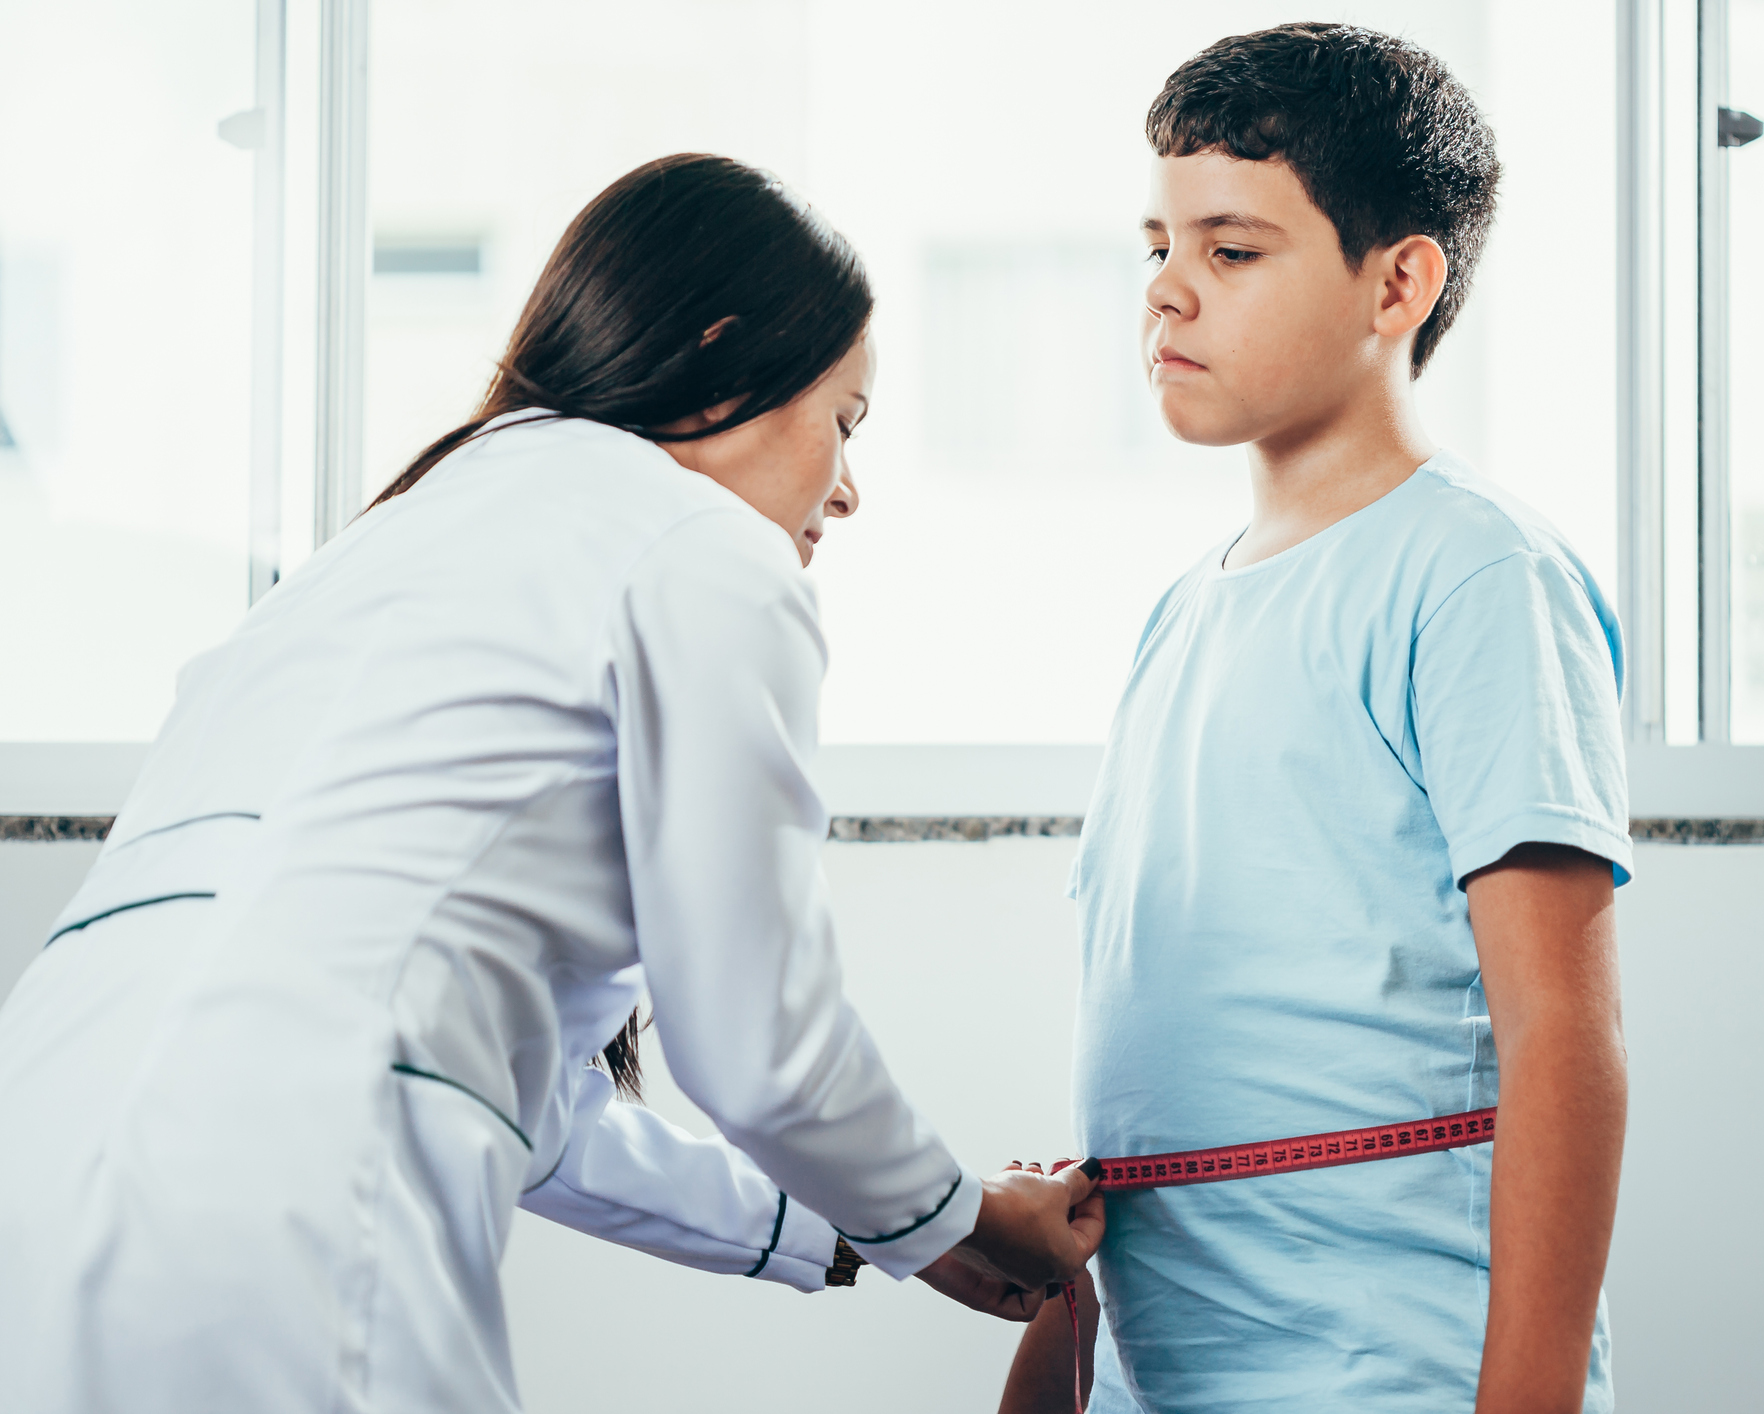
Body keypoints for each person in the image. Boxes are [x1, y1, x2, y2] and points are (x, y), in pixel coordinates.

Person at [0, 153, 1102, 1414]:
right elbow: (759, 1046)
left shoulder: (385, 546)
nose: (846, 489)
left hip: (33, 1150)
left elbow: (537, 1112)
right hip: (289, 1188)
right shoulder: (701, 550)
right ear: (725, 351)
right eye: (844, 420)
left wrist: (880, 1235)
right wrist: (954, 1213)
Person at [1000, 25, 1628, 1414]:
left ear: (1397, 281)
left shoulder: (1475, 574)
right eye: (1154, 245)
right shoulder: (1183, 614)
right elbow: (1157, 1077)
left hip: (1382, 1365)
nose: (1165, 292)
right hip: (1174, 1373)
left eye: (1231, 250)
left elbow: (1561, 1039)